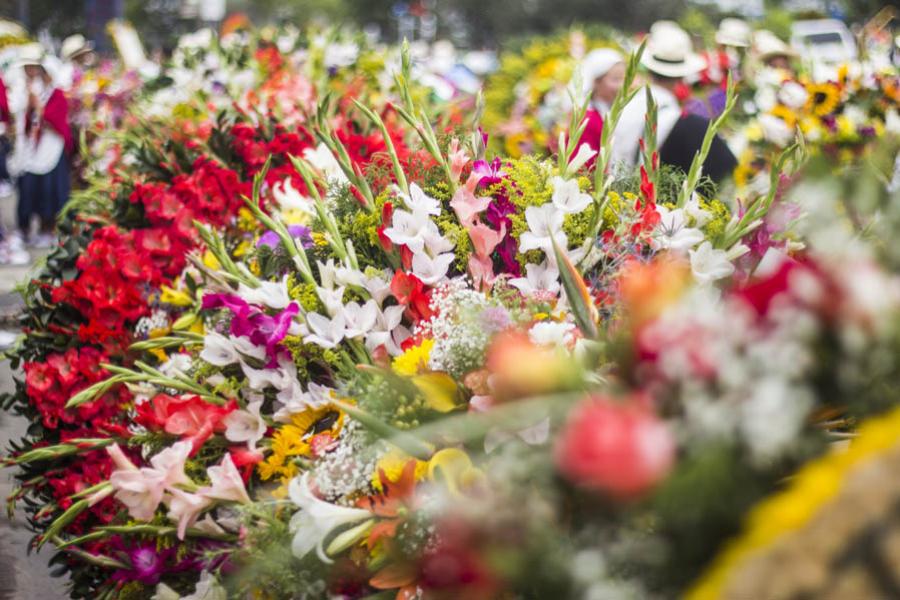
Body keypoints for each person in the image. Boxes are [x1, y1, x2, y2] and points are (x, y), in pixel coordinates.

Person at [611, 24, 737, 183]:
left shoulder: (622, 108)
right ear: (683, 76)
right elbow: (726, 167)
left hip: (615, 200)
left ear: (649, 69)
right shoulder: (689, 125)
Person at [8, 44, 73, 248]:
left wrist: (38, 107)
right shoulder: (22, 89)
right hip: (30, 150)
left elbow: (55, 119)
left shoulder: (55, 94)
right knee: (27, 190)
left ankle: (48, 229)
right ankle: (24, 229)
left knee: (50, 192)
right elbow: (19, 116)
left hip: (50, 149)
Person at [571, 48, 625, 160]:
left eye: (623, 78)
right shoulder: (587, 120)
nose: (622, 86)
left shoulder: (619, 111)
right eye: (615, 79)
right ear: (595, 81)